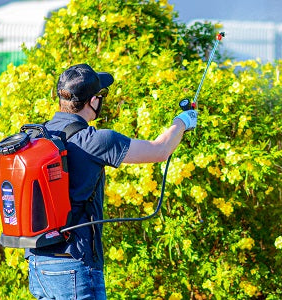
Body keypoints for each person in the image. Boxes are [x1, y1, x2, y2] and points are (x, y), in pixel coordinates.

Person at [26, 63, 198, 299]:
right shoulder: (95, 140)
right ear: (93, 101)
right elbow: (160, 150)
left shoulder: (37, 135)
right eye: (102, 95)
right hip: (76, 265)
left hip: (38, 262)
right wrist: (183, 121)